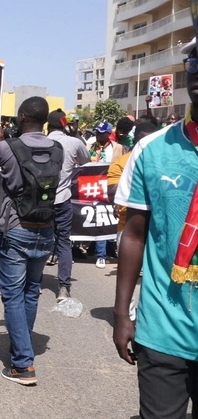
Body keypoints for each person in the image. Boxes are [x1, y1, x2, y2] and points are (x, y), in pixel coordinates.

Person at [113, 37, 198, 418]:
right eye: (194, 61)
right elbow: (134, 233)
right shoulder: (151, 149)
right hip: (163, 327)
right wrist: (121, 314)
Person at [0, 96, 62, 386]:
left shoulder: (6, 147)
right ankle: (20, 348)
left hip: (15, 228)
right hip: (45, 228)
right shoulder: (58, 148)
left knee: (12, 295)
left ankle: (23, 364)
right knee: (32, 291)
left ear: (23, 116)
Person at [46, 109, 90, 302]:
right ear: (65, 124)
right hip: (63, 198)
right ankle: (64, 288)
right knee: (64, 241)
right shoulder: (74, 142)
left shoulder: (40, 141)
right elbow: (86, 160)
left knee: (38, 239)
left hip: (41, 201)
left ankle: (32, 282)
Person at [90, 121, 123, 269]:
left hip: (112, 188)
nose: (98, 135)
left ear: (108, 134)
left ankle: (111, 249)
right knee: (100, 219)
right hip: (95, 188)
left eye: (101, 133)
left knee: (112, 219)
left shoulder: (119, 148)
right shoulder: (91, 146)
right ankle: (100, 254)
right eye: (97, 132)